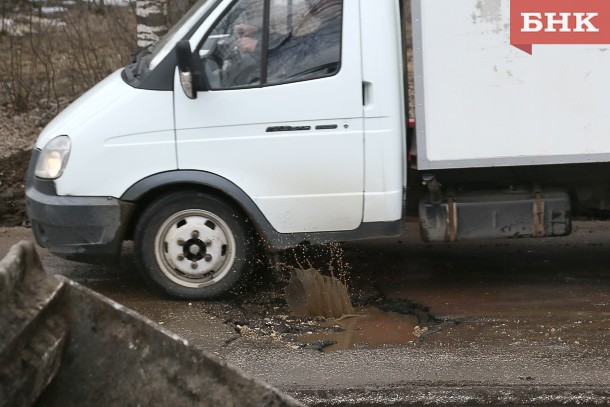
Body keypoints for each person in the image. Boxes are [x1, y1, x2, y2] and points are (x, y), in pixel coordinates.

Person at [235, 0, 342, 83]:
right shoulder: (332, 23)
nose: (311, 6)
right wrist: (259, 31)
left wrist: (258, 47)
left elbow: (298, 55)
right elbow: (296, 42)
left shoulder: (338, 28)